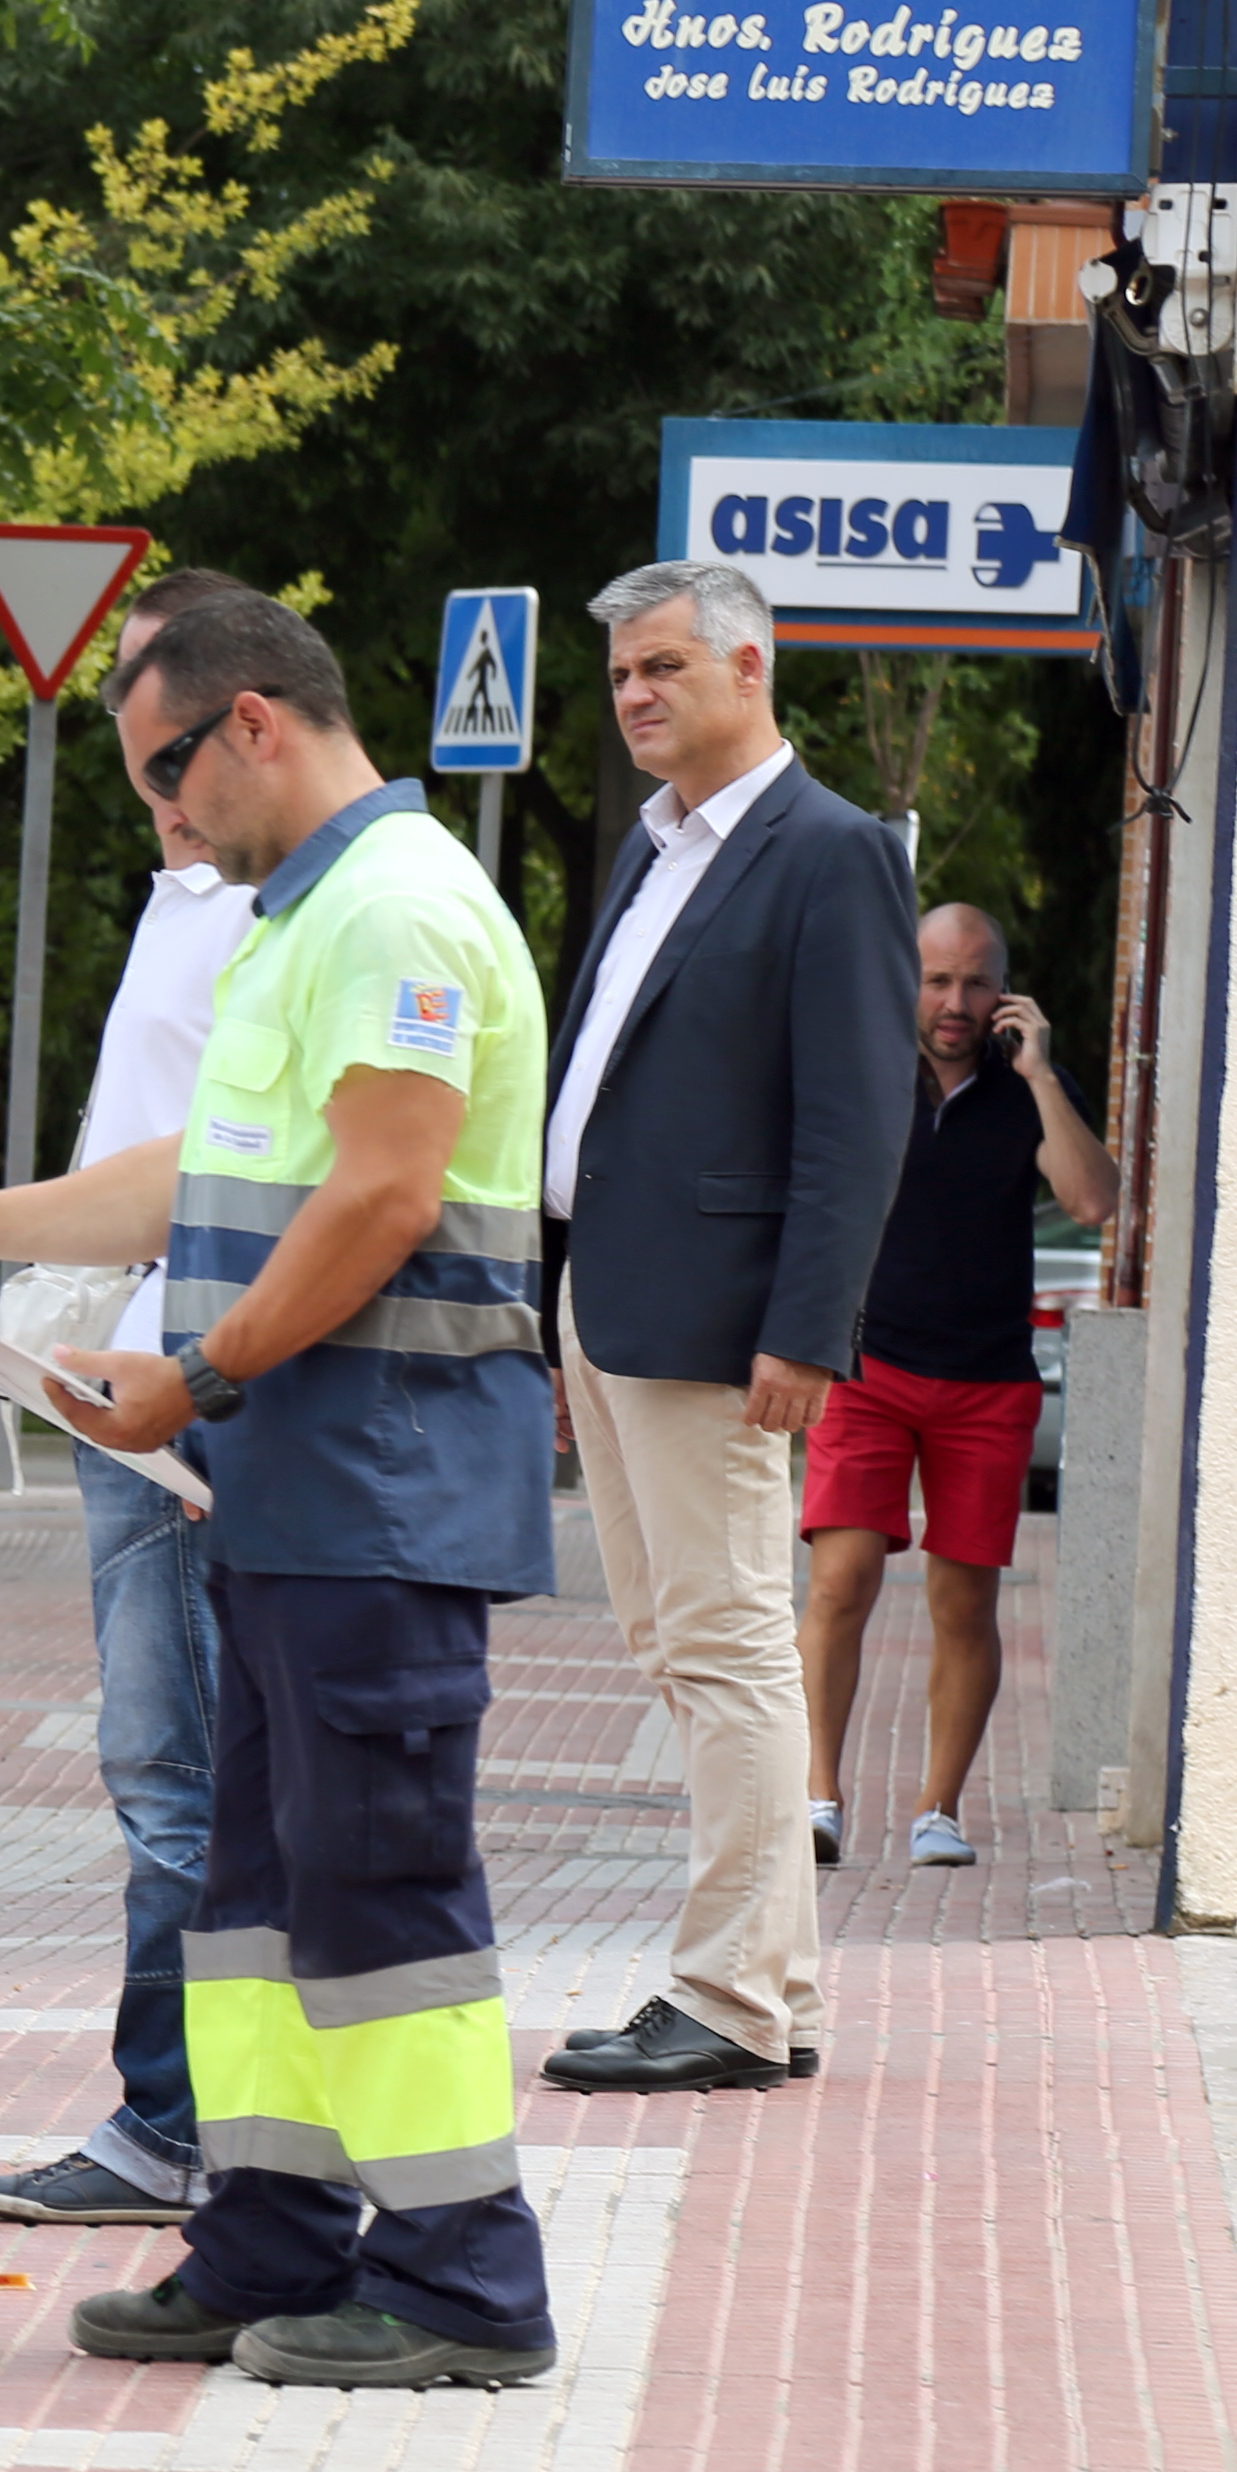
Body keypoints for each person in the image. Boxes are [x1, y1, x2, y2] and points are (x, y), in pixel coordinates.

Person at [0, 591, 562, 2390]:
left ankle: (465, 2282)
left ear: (253, 722)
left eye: (166, 774)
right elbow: (206, 1173)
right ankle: (262, 2238)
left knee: (381, 1884)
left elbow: (386, 1194)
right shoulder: (296, 918)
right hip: (293, 1489)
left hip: (373, 1480)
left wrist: (200, 1371)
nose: (162, 818)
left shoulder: (392, 908)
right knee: (255, 1893)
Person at [533, 561, 915, 2098]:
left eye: (666, 667)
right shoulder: (650, 847)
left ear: (751, 668)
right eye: (625, 671)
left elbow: (856, 1116)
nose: (636, 694)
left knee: (732, 1643)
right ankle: (775, 1981)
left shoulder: (828, 854)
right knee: (678, 1642)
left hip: (723, 1324)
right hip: (610, 1300)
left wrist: (808, 1326)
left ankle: (731, 2001)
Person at [0, 565, 263, 2231]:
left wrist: (187, 1370)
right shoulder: (180, 900)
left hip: (186, 1401)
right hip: (119, 1384)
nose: (141, 759)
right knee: (170, 1770)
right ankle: (199, 2121)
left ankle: (180, 2126)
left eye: (163, 724)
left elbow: (212, 1176)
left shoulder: (279, 918)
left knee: (179, 1770)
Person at [794, 903, 1114, 1867]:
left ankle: (938, 1811)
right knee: (842, 1579)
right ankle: (817, 1796)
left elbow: (1093, 1199)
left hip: (986, 1385)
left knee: (963, 1603)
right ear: (908, 981)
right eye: (937, 979)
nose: (954, 1001)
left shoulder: (1028, 1091)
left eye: (976, 982)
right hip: (868, 1369)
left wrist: (1041, 1074)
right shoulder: (863, 1074)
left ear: (1004, 994)